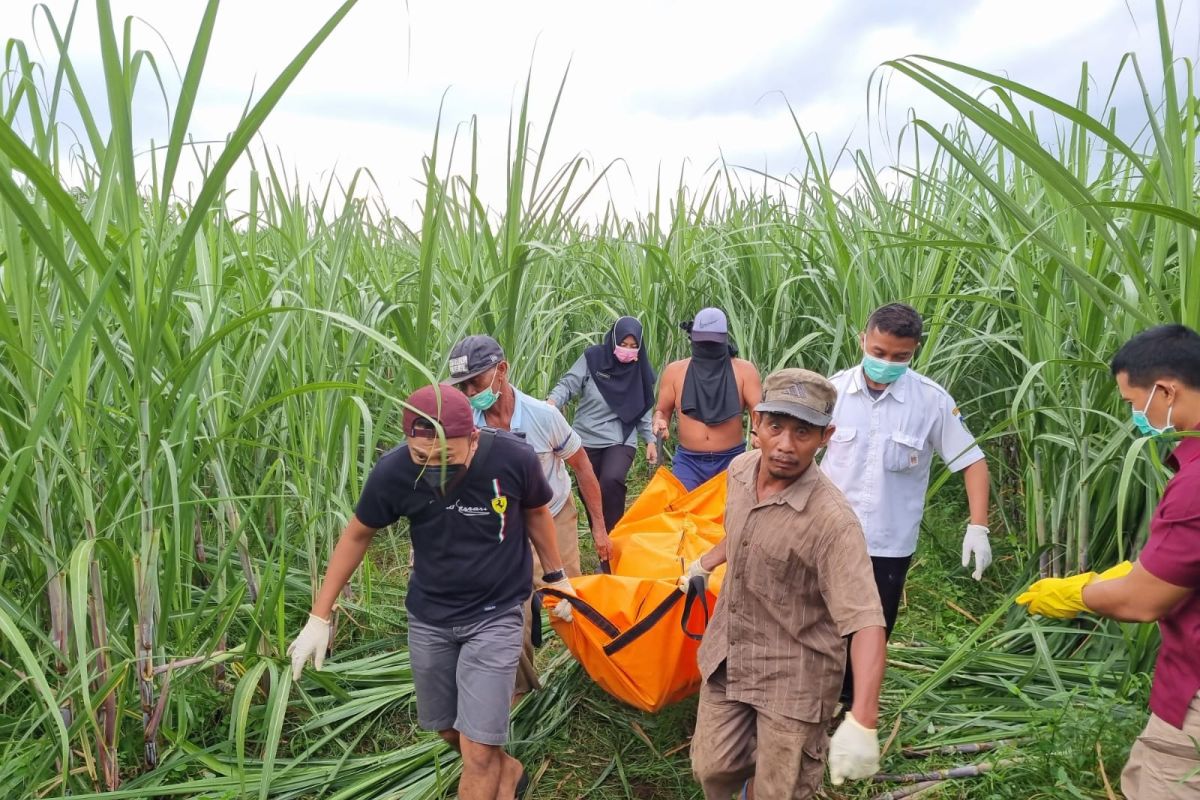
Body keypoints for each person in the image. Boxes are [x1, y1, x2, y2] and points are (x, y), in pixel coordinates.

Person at [286, 384, 574, 800]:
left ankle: (492, 770)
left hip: (496, 613)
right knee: (447, 728)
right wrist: (319, 615)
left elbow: (536, 513)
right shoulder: (394, 472)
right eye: (422, 457)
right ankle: (508, 771)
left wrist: (556, 575)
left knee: (478, 752)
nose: (433, 468)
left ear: (473, 437)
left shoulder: (514, 458)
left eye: (445, 457)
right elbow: (357, 535)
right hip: (430, 615)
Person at [683, 368, 888, 799]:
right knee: (712, 767)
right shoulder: (740, 471)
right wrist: (705, 562)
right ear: (755, 423)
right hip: (731, 653)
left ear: (825, 436)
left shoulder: (832, 522)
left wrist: (863, 720)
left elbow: (866, 621)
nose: (785, 445)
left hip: (796, 674)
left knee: (781, 790)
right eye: (775, 426)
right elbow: (744, 530)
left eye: (803, 432)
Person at [1017, 324, 1200, 799]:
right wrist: (1136, 573)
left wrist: (1075, 593)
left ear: (1165, 391)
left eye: (1133, 402)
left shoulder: (1196, 484)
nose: (1135, 415)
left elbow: (1142, 603)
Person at [820, 303, 991, 704]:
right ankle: (811, 698)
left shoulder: (930, 401)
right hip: (827, 535)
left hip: (888, 542)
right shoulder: (830, 393)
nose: (887, 364)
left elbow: (972, 460)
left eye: (901, 357)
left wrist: (978, 526)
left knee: (872, 630)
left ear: (915, 351)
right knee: (817, 623)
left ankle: (851, 709)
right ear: (863, 340)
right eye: (879, 353)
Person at [448, 334, 608, 697]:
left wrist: (599, 529)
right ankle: (519, 695)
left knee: (569, 601)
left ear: (501, 371)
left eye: (476, 381)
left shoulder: (543, 416)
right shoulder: (466, 427)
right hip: (503, 527)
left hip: (553, 515)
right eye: (463, 386)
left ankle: (594, 672)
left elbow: (582, 468)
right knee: (507, 615)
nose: (470, 392)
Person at [547, 316, 659, 533]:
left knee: (611, 480)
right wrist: (551, 404)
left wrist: (650, 440)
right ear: (613, 341)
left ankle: (614, 535)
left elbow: (643, 406)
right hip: (585, 437)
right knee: (589, 489)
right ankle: (601, 536)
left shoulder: (638, 369)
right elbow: (568, 384)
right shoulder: (593, 359)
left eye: (633, 346)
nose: (627, 350)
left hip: (620, 437)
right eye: (623, 344)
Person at [653, 307, 763, 491]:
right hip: (689, 462)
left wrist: (758, 432)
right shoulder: (675, 371)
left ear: (724, 340)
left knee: (730, 514)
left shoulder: (744, 371)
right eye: (703, 343)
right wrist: (659, 422)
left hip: (732, 460)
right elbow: (662, 410)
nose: (708, 348)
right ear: (693, 339)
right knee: (683, 513)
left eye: (713, 344)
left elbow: (758, 410)